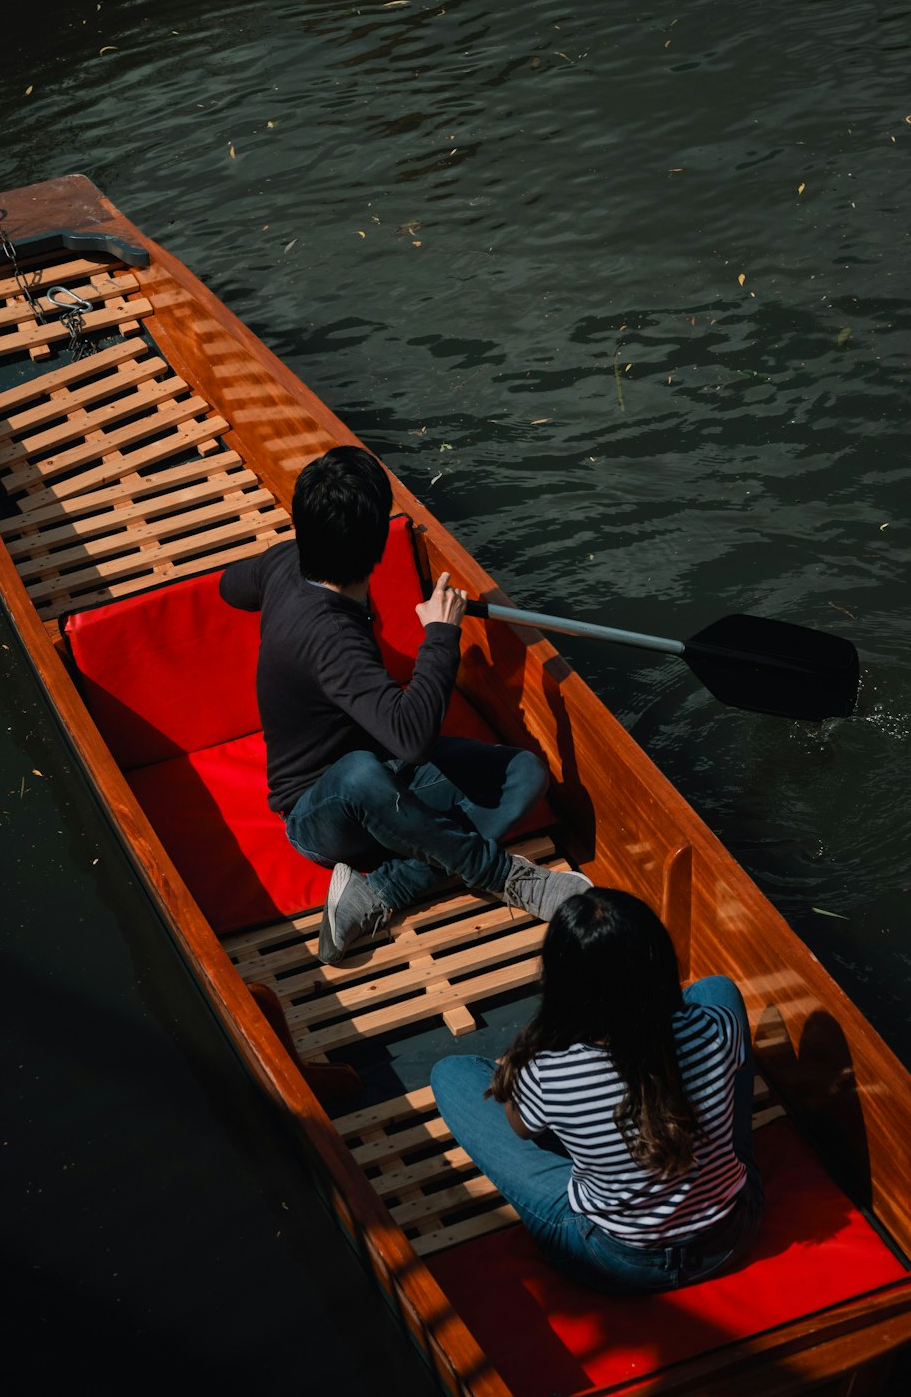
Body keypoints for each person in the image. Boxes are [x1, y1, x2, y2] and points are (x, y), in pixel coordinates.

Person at [219, 444, 590, 963]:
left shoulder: (284, 562)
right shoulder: (334, 642)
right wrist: (440, 635)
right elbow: (413, 740)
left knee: (525, 772)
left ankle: (379, 891)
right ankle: (502, 876)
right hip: (318, 812)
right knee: (360, 773)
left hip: (388, 779)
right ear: (376, 547)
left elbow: (229, 586)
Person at [431, 888, 764, 1292]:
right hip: (731, 1232)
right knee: (718, 989)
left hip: (618, 1261)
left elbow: (520, 1128)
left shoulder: (547, 1072)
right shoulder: (714, 1029)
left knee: (452, 1074)